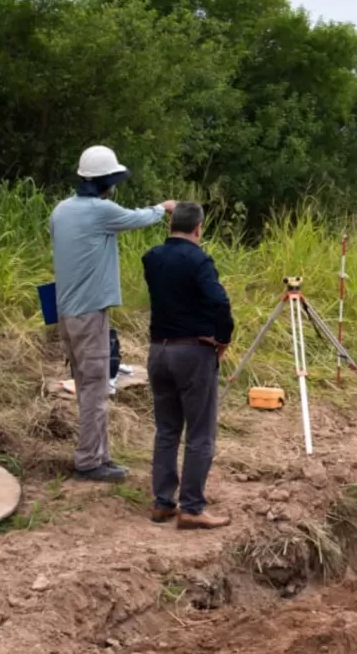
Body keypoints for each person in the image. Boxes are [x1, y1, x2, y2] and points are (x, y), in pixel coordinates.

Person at [49, 145, 175, 483]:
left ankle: (99, 454)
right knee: (96, 388)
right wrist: (163, 208)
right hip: (89, 313)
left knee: (86, 384)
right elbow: (137, 218)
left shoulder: (61, 210)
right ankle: (90, 462)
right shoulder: (100, 211)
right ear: (104, 181)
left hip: (66, 312)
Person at [141, 202, 234, 530]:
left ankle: (162, 502)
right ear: (198, 228)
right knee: (200, 432)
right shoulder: (199, 260)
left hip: (159, 350)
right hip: (193, 351)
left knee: (167, 429)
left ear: (171, 226)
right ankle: (192, 507)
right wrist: (223, 338)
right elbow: (219, 302)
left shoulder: (152, 258)